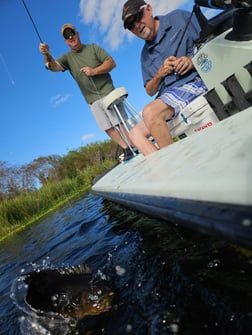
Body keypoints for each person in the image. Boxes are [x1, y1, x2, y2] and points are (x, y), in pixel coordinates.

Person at [122, 0, 207, 156]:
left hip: (194, 82)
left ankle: (175, 169)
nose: (137, 26)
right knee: (134, 134)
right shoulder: (144, 56)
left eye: (138, 17)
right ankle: (166, 171)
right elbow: (149, 90)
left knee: (150, 113)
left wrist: (191, 61)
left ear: (148, 9)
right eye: (131, 26)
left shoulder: (179, 17)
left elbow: (210, 40)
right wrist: (159, 74)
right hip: (168, 98)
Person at [39, 24, 135, 161]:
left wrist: (94, 71)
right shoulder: (66, 58)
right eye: (67, 36)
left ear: (77, 34)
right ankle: (126, 149)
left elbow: (111, 63)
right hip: (92, 100)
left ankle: (134, 144)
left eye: (72, 33)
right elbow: (52, 67)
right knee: (107, 127)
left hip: (108, 92)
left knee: (119, 122)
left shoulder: (93, 48)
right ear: (65, 41)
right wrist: (46, 54)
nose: (70, 37)